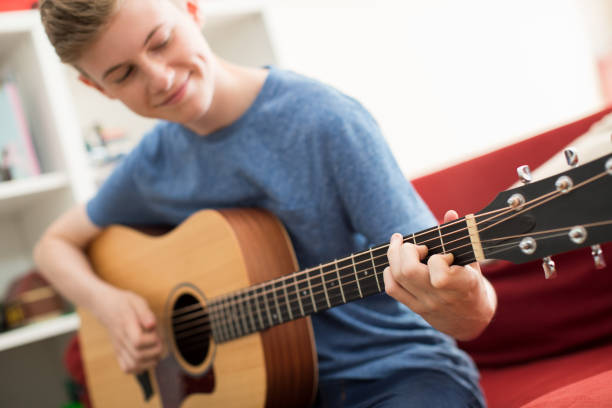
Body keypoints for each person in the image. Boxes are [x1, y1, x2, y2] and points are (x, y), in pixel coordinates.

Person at [35, 0, 497, 406]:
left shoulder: (325, 121)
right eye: (124, 74)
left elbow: (462, 311)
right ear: (100, 89)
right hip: (258, 393)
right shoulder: (151, 165)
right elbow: (52, 246)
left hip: (394, 375)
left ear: (189, 7)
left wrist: (467, 299)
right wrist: (108, 303)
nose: (160, 76)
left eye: (160, 41)